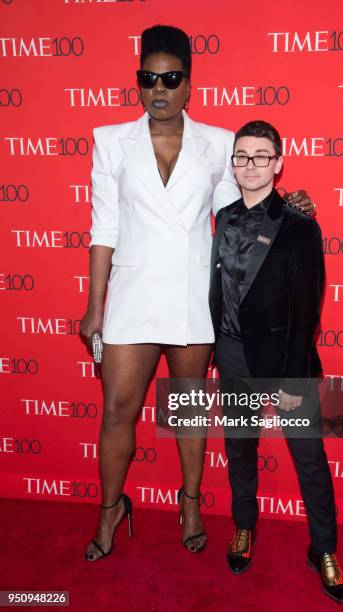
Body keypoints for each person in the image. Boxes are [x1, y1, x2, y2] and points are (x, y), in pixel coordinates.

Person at [80, 25, 314, 562]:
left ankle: (189, 507)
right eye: (148, 78)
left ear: (188, 83)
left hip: (192, 296)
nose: (158, 88)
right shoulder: (111, 140)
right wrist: (95, 307)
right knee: (118, 410)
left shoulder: (215, 142)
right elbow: (104, 227)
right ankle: (111, 509)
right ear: (137, 82)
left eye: (170, 78)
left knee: (185, 410)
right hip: (132, 296)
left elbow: (240, 210)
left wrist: (287, 206)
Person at [209, 120, 343, 605]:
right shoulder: (224, 217)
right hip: (231, 353)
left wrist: (292, 378)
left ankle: (326, 550)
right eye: (242, 156)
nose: (251, 165)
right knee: (240, 446)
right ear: (233, 163)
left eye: (261, 156)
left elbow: (308, 311)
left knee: (309, 458)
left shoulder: (300, 226)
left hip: (285, 360)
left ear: (279, 162)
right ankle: (244, 526)